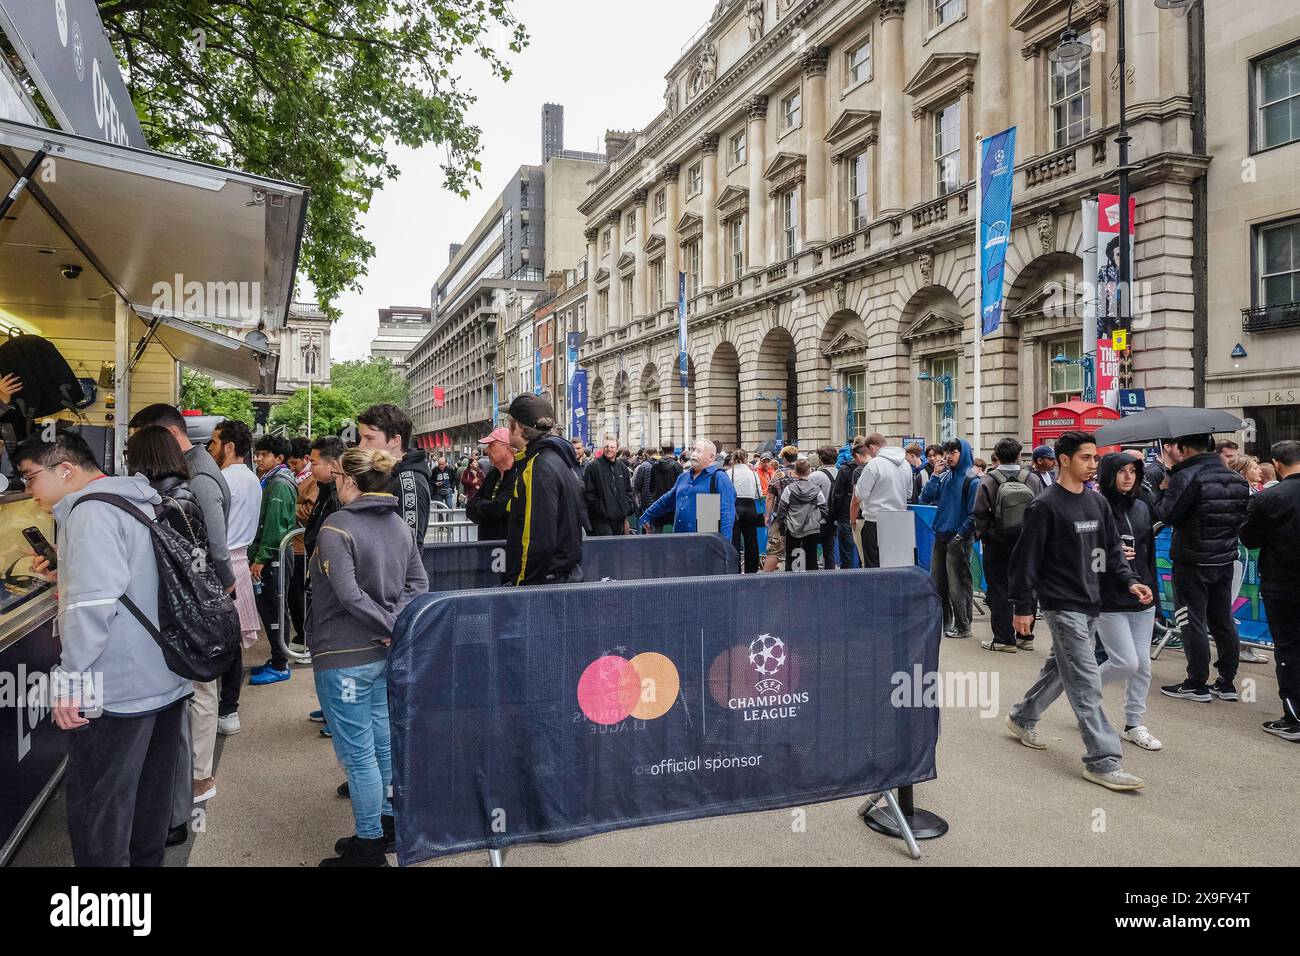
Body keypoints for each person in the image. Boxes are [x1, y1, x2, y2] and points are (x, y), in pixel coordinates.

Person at [18, 433, 191, 866]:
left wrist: (69, 682)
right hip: (165, 676)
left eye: (29, 477)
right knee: (149, 807)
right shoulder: (137, 499)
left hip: (115, 687)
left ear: (65, 470)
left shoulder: (90, 513)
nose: (28, 490)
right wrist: (69, 564)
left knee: (101, 811)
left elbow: (92, 607)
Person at [1004, 431, 1155, 792]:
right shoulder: (1045, 505)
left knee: (1060, 668)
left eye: (1095, 458)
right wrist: (1023, 606)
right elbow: (1025, 560)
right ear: (1064, 460)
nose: (1092, 465)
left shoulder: (1096, 503)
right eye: (1086, 458)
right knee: (1086, 680)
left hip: (1092, 602)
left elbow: (1112, 550)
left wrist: (1129, 581)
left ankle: (1022, 716)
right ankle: (1103, 759)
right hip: (1061, 604)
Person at [311, 448, 429, 866]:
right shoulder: (399, 525)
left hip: (344, 652)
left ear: (347, 479)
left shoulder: (336, 528)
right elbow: (419, 583)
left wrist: (386, 625)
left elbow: (347, 595)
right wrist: (395, 624)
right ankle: (383, 825)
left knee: (359, 753)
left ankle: (368, 847)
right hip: (384, 652)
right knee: (380, 743)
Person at [1155, 433, 1251, 703]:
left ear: (1185, 448)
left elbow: (1167, 515)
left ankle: (1196, 682)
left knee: (1191, 620)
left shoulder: (1186, 478)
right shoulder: (1237, 479)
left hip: (1192, 560)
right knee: (1222, 619)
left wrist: (1164, 490)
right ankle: (1227, 681)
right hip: (1224, 559)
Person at [1094, 453, 1163, 751]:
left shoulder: (1143, 507)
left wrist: (1152, 591)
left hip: (1142, 596)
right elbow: (1082, 556)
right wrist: (1111, 556)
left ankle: (1134, 723)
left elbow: (1148, 554)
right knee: (1125, 662)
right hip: (1109, 598)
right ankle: (1083, 692)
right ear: (1108, 474)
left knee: (1143, 666)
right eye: (1121, 471)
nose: (1128, 477)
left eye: (1133, 471)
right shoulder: (1096, 507)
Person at [128, 404, 235, 595]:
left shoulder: (197, 476)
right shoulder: (186, 467)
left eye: (148, 440)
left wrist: (225, 582)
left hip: (200, 586)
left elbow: (210, 543)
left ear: (172, 432)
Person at [1239, 440, 1300, 742]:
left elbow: (1249, 538)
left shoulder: (1270, 498)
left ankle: (1295, 718)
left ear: (1276, 464)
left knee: (1288, 649)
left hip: (1283, 583)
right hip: (1282, 582)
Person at [205, 420, 261, 735]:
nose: (210, 450)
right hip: (239, 561)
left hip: (222, 563)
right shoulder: (253, 479)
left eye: (213, 443)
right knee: (233, 642)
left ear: (228, 446)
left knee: (219, 641)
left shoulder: (221, 479)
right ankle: (229, 708)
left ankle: (223, 709)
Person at [504, 395, 587, 585]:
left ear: (516, 427)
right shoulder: (558, 459)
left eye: (509, 422)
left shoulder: (538, 466)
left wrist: (521, 585)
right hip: (562, 578)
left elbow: (536, 539)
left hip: (544, 584)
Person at [974, 438, 1044, 652]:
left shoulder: (988, 480)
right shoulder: (1032, 479)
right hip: (1026, 541)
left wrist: (983, 535)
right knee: (1027, 585)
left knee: (999, 588)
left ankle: (1004, 639)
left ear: (996, 455)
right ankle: (1026, 635)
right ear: (1018, 455)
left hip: (997, 542)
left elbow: (979, 512)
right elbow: (1041, 509)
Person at [247, 433, 300, 686]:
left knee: (276, 609)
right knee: (270, 609)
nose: (258, 458)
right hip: (273, 553)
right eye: (257, 453)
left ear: (279, 458)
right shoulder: (270, 478)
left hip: (275, 555)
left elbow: (274, 526)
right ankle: (277, 657)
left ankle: (280, 664)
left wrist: (261, 557)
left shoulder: (279, 483)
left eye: (264, 454)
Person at [302, 436, 344, 733]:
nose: (310, 467)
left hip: (331, 585)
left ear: (332, 464)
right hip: (318, 577)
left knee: (333, 652)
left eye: (314, 462)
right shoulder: (326, 491)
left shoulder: (339, 496)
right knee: (319, 648)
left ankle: (337, 712)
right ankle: (330, 707)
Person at [920, 439, 979, 638]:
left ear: (963, 454)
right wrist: (935, 475)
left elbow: (974, 514)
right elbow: (925, 497)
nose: (949, 456)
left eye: (954, 452)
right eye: (948, 452)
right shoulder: (944, 477)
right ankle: (944, 621)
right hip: (941, 536)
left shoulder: (972, 480)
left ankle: (963, 625)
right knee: (938, 583)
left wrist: (960, 535)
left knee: (958, 585)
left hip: (959, 538)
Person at [357, 404, 432, 550]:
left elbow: (409, 549)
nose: (361, 446)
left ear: (395, 441)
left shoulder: (409, 484)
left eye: (369, 438)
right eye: (361, 438)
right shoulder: (384, 474)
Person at [641, 438, 737, 540]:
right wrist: (647, 515)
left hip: (704, 544)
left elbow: (727, 514)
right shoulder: (683, 477)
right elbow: (667, 500)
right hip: (680, 542)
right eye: (693, 450)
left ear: (711, 457)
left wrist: (724, 546)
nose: (694, 454)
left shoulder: (719, 477)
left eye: (699, 451)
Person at [852, 434, 912, 569]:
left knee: (874, 566)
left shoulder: (874, 464)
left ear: (872, 447)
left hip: (875, 520)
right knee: (898, 565)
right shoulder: (906, 464)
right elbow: (908, 493)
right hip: (900, 520)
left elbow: (860, 493)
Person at [286, 436, 319, 658]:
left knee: (299, 595)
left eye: (294, 464)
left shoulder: (312, 480)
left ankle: (306, 637)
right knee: (292, 595)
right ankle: (301, 635)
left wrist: (288, 507)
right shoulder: (297, 478)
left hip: (301, 546)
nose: (291, 468)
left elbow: (309, 512)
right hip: (292, 544)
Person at [466, 426, 519, 543]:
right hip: (486, 547)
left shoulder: (518, 474)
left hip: (507, 548)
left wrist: (479, 505)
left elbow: (499, 508)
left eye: (491, 445)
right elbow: (470, 508)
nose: (486, 451)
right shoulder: (492, 475)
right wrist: (486, 507)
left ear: (508, 448)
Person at [775, 458, 826, 571]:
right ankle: (812, 585)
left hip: (793, 527)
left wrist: (782, 531)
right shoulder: (817, 490)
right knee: (811, 559)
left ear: (796, 472)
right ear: (809, 471)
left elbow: (781, 512)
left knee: (792, 559)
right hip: (811, 528)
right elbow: (824, 509)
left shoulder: (789, 490)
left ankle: (792, 585)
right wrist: (814, 519)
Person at [584, 435, 635, 535]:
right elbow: (589, 494)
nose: (609, 449)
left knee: (620, 550)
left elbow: (628, 491)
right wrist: (601, 510)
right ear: (603, 447)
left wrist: (627, 508)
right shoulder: (593, 467)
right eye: (606, 446)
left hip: (620, 520)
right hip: (601, 522)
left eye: (612, 447)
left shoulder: (622, 468)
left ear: (617, 448)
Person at [830, 441, 869, 569]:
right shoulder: (872, 468)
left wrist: (835, 515)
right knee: (864, 553)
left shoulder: (845, 469)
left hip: (846, 516)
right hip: (867, 516)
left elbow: (837, 495)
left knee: (847, 553)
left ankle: (848, 580)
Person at [761, 446, 800, 572]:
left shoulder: (779, 474)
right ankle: (796, 579)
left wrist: (767, 515)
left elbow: (770, 496)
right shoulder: (803, 471)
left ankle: (764, 582)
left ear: (784, 458)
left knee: (774, 549)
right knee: (797, 549)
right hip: (801, 517)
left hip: (781, 517)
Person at [725, 449, 763, 573]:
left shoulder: (729, 473)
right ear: (746, 459)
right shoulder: (753, 473)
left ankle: (735, 569)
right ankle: (751, 570)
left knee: (735, 540)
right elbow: (759, 493)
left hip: (736, 507)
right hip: (751, 507)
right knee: (752, 540)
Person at [644, 442, 683, 533]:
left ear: (662, 450)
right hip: (673, 504)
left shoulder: (655, 466)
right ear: (673, 450)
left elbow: (651, 486)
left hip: (658, 502)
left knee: (657, 534)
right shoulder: (677, 467)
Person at [811, 447, 839, 568]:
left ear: (820, 459)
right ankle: (830, 575)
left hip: (818, 518)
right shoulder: (842, 472)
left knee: (810, 549)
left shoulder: (814, 476)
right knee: (829, 550)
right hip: (835, 519)